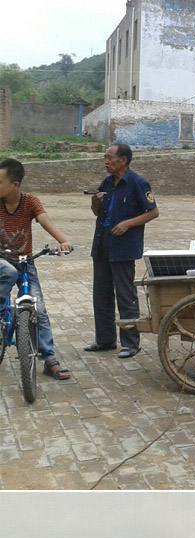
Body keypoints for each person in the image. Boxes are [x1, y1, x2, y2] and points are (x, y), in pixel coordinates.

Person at [0, 158, 73, 381]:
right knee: (9, 274)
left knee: (38, 308)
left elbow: (44, 220)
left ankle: (49, 358)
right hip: (1, 260)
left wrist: (63, 240)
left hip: (25, 261)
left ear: (15, 185)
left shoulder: (30, 201)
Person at [86, 143, 159, 358]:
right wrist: (94, 203)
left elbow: (153, 212)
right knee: (101, 295)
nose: (106, 162)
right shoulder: (107, 182)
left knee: (125, 296)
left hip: (124, 248)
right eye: (105, 158)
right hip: (102, 245)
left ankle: (130, 343)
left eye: (109, 158)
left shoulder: (137, 182)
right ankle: (105, 340)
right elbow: (96, 212)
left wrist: (128, 223)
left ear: (123, 160)